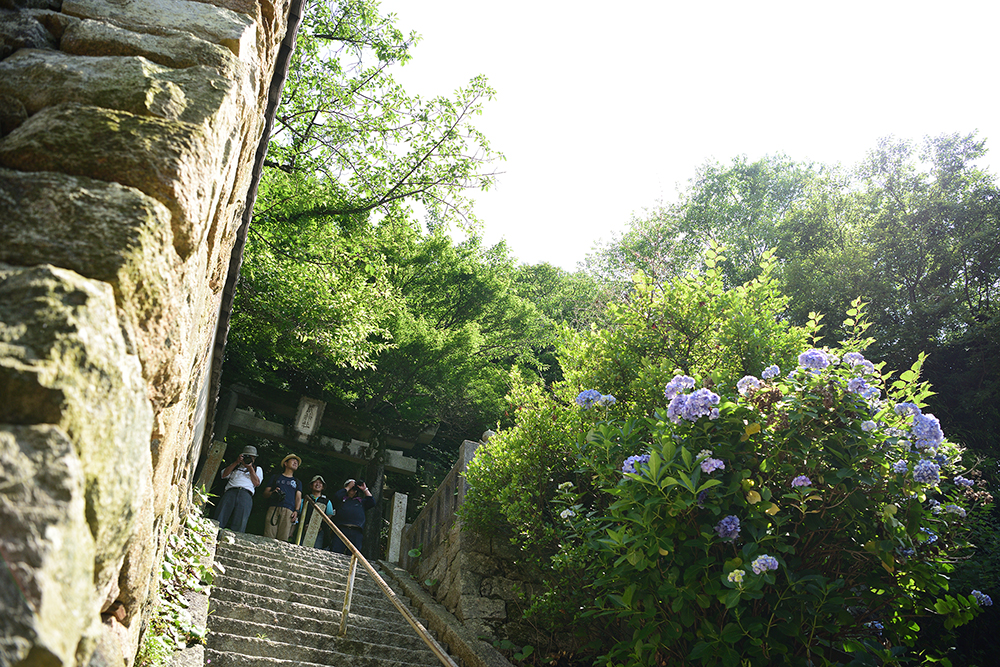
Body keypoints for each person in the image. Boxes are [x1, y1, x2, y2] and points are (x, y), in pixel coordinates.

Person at [216, 446, 262, 532]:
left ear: (254, 459)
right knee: (221, 516)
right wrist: (236, 462)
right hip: (230, 492)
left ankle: (235, 539)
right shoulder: (235, 467)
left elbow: (257, 483)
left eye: (251, 457)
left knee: (241, 521)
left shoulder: (257, 469)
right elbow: (223, 475)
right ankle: (214, 533)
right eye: (246, 456)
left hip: (246, 494)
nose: (249, 459)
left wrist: (250, 468)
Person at [328, 478, 376, 555]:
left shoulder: (360, 502)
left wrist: (365, 489)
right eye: (350, 488)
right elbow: (336, 496)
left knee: (354, 555)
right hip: (341, 529)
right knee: (336, 553)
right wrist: (348, 487)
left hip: (356, 531)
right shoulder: (341, 500)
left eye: (354, 489)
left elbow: (372, 502)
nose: (352, 490)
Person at [262, 454, 303, 542]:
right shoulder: (276, 477)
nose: (295, 462)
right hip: (273, 507)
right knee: (268, 536)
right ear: (285, 463)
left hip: (289, 510)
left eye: (297, 462)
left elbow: (298, 498)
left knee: (283, 539)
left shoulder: (297, 482)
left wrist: (296, 511)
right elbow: (265, 493)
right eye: (293, 460)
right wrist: (273, 492)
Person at [300, 475, 335, 548]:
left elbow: (330, 515)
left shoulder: (327, 501)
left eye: (320, 483)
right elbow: (299, 513)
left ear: (323, 487)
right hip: (304, 530)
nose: (317, 484)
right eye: (315, 482)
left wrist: (317, 525)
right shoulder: (305, 499)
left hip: (320, 531)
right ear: (311, 485)